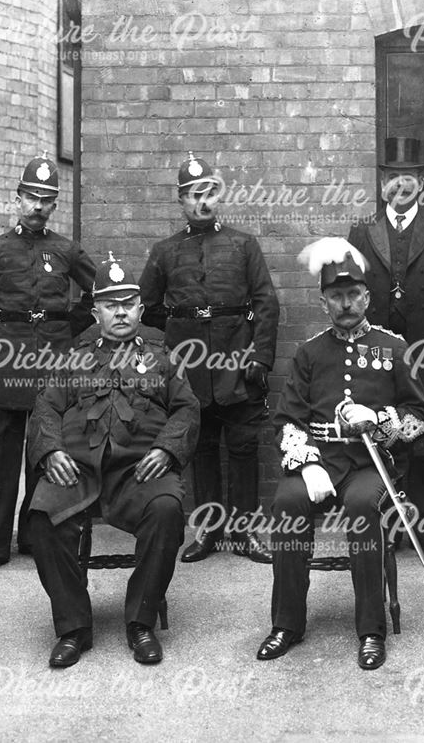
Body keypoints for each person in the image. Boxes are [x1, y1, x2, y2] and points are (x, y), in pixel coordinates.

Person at [256, 238, 424, 670]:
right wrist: (308, 462)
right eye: (337, 296)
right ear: (323, 302)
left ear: (367, 297)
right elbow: (287, 420)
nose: (347, 303)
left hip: (370, 464)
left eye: (354, 295)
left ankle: (371, 630)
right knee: (287, 503)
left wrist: (377, 418)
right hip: (320, 462)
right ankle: (287, 623)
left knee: (360, 507)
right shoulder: (310, 353)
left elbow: (420, 418)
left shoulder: (392, 347)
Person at [26, 255, 200, 667]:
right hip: (78, 468)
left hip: (139, 470)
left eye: (127, 303)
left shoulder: (163, 356)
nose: (120, 311)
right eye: (110, 304)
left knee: (167, 510)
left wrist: (166, 449)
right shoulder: (75, 356)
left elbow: (187, 410)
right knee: (40, 516)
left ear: (140, 308)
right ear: (95, 311)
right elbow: (46, 408)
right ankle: (73, 627)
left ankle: (140, 622)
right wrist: (51, 450)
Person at [0, 153, 96, 577]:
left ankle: (34, 537)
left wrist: (66, 330)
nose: (38, 206)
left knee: (45, 451)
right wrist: (2, 332)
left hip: (52, 361)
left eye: (47, 199)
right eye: (31, 197)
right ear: (16, 199)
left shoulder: (66, 250)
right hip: (4, 365)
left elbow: (98, 292)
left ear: (55, 204)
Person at [140, 152, 280, 564]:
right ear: (180, 200)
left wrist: (260, 357)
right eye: (191, 195)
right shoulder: (165, 252)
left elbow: (266, 303)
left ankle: (245, 532)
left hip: (239, 365)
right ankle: (209, 531)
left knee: (242, 448)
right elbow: (147, 308)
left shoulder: (243, 244)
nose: (201, 203)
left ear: (216, 198)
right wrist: (179, 344)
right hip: (191, 371)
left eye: (207, 194)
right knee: (200, 449)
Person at [347, 136, 424, 559]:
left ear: (421, 182)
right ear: (383, 184)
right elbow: (351, 293)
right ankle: (385, 529)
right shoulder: (362, 231)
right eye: (393, 177)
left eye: (410, 177)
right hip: (377, 354)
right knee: (382, 435)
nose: (402, 185)